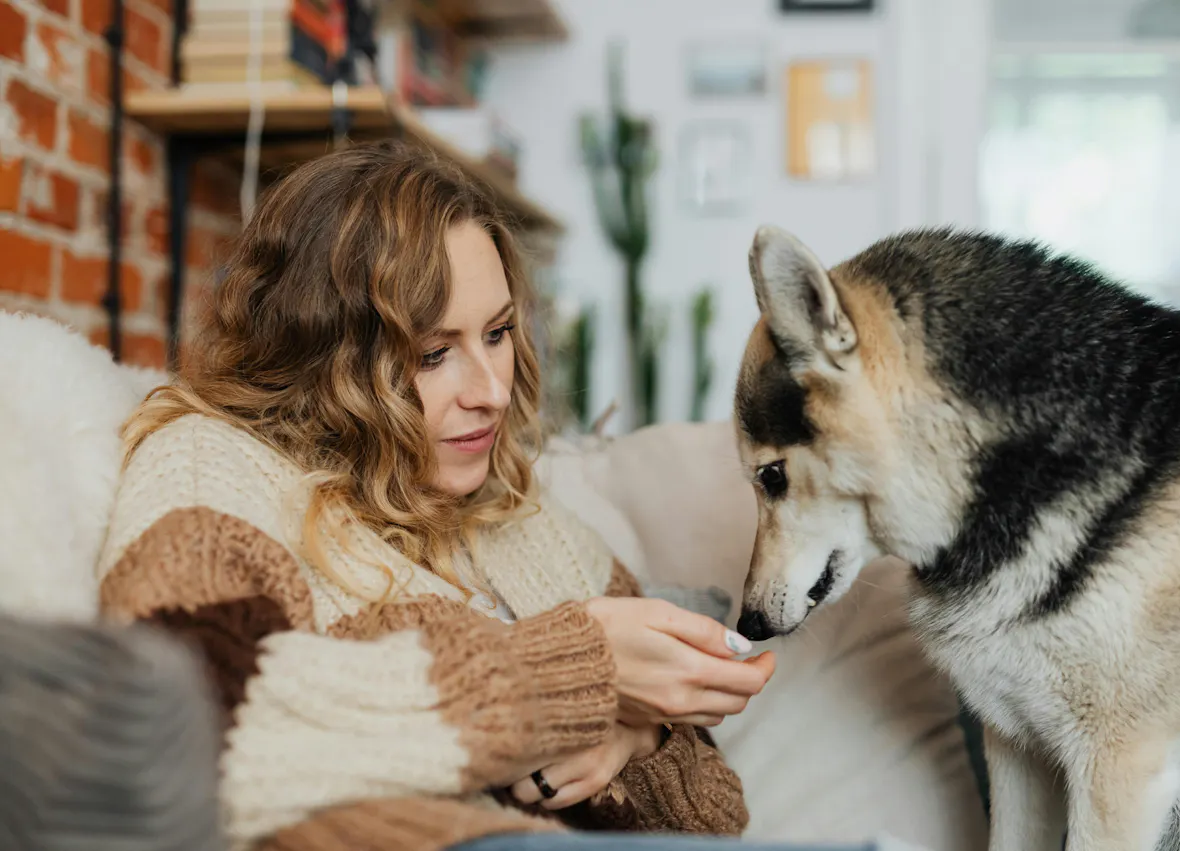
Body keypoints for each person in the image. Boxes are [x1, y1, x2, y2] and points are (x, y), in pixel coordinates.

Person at [96, 140, 778, 851]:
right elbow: (175, 724)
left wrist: (635, 733)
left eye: (498, 333)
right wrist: (566, 678)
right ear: (323, 353)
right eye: (433, 351)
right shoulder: (214, 464)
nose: (489, 391)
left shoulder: (521, 514)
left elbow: (715, 808)